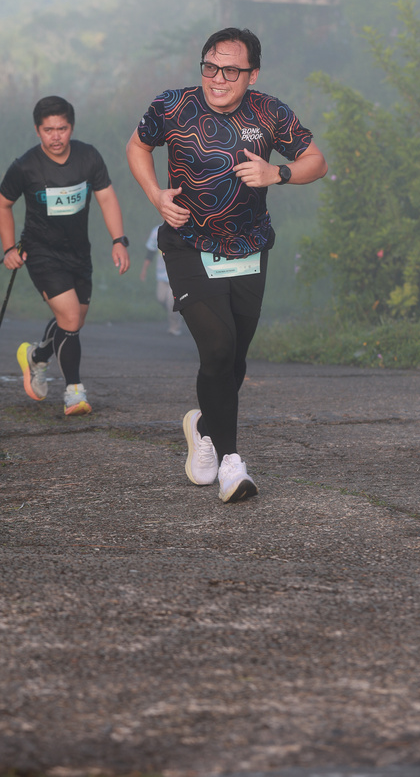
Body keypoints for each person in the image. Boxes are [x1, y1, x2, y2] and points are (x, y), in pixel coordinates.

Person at [126, 27, 327, 503]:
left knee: (233, 358)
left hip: (249, 249)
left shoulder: (270, 113)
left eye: (231, 70)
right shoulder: (172, 106)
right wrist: (155, 195)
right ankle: (231, 464)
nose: (218, 78)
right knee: (216, 346)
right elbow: (137, 147)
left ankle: (204, 428)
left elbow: (316, 162)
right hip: (187, 244)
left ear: (252, 74)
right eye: (210, 67)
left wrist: (276, 172)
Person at [0, 95, 130, 416]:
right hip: (41, 252)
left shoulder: (88, 157)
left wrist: (118, 240)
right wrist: (9, 248)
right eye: (48, 130)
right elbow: (3, 204)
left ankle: (37, 356)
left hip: (78, 252)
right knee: (69, 318)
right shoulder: (25, 166)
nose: (56, 137)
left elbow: (107, 198)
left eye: (62, 129)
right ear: (37, 130)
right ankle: (74, 391)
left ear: (72, 127)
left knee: (73, 321)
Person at [140, 224, 183, 336]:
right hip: (161, 274)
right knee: (161, 298)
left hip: (177, 275)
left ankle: (175, 327)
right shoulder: (157, 232)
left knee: (172, 303)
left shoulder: (184, 231)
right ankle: (179, 313)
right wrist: (144, 270)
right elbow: (150, 253)